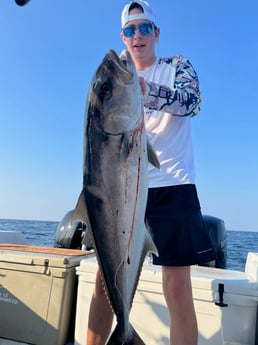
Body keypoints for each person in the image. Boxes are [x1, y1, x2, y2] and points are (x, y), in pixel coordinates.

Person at [86, 1, 216, 344]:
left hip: (172, 184)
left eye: (145, 28)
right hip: (122, 189)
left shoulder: (176, 65)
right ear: (123, 36)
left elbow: (193, 103)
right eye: (130, 30)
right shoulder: (116, 81)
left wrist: (148, 91)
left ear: (156, 33)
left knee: (176, 288)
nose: (138, 35)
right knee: (104, 280)